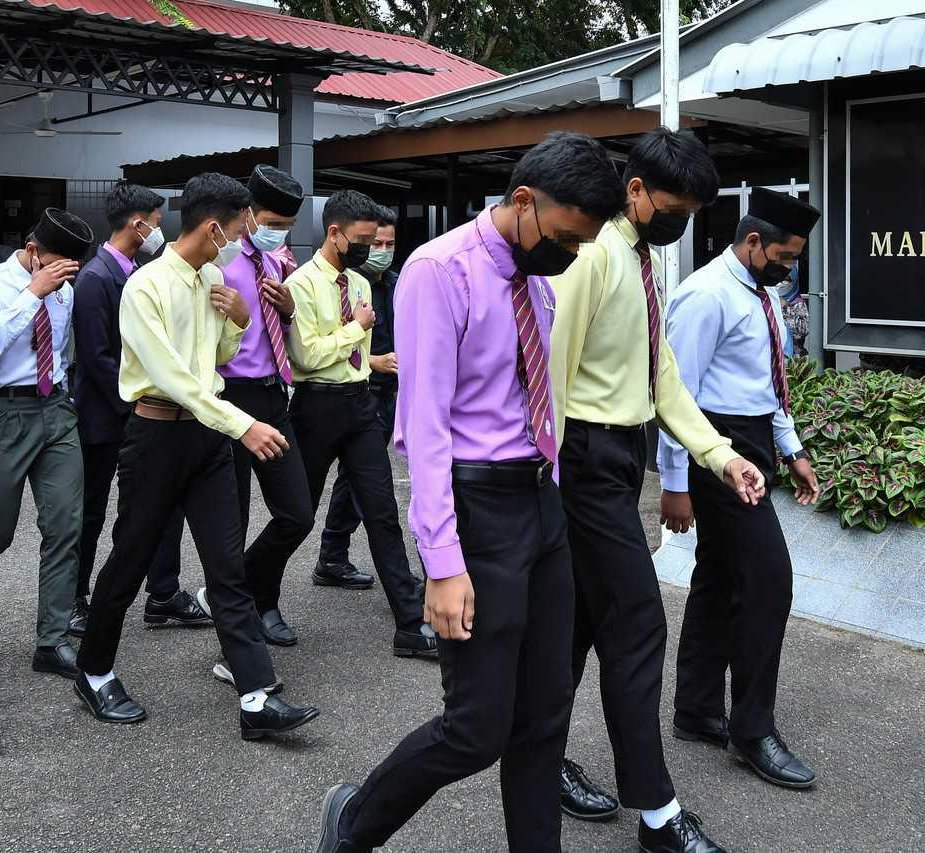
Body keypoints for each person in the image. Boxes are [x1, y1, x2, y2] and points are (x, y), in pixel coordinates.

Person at [314, 131, 624, 853]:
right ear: (524, 201)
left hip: (540, 502)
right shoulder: (438, 271)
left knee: (545, 716)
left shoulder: (536, 277)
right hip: (478, 510)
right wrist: (443, 562)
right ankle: (354, 822)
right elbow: (425, 428)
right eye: (566, 238)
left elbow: (532, 396)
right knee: (477, 729)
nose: (571, 253)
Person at [549, 127, 766, 852]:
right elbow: (551, 373)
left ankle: (541, 756)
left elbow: (661, 372)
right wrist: (545, 484)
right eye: (674, 210)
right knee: (639, 623)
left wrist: (719, 455)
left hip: (617, 455)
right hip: (582, 458)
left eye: (691, 215)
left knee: (578, 626)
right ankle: (657, 814)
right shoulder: (592, 255)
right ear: (635, 189)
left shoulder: (640, 256)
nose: (680, 225)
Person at [73, 172, 319, 740]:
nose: (242, 238)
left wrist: (238, 320)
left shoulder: (212, 277)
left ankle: (256, 696)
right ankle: (94, 669)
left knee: (227, 568)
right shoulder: (145, 286)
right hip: (156, 436)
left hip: (206, 440)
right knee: (130, 559)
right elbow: (174, 378)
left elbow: (215, 359)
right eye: (238, 228)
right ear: (213, 228)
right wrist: (243, 425)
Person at [658, 188, 822, 790]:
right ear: (753, 242)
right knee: (769, 581)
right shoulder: (704, 295)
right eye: (784, 256)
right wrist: (675, 483)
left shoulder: (762, 292)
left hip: (751, 440)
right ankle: (753, 730)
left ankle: (697, 710)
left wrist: (792, 449)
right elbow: (675, 395)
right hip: (714, 447)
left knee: (720, 576)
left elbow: (768, 385)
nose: (789, 268)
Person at [283, 190, 434, 659]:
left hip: (360, 405)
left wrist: (360, 347)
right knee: (296, 515)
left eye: (377, 241)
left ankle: (410, 622)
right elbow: (306, 356)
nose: (371, 249)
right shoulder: (301, 284)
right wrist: (356, 329)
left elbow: (355, 358)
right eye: (364, 240)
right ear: (335, 233)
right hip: (316, 407)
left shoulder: (360, 285)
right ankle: (253, 596)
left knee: (383, 512)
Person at [0, 208, 92, 683]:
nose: (63, 277)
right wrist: (33, 294)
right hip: (3, 412)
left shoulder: (65, 289)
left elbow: (59, 350)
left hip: (55, 410)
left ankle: (52, 640)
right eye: (56, 266)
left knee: (65, 526)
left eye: (70, 270)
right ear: (33, 251)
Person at [72, 182, 205, 636]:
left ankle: (162, 593)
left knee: (163, 505)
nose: (160, 230)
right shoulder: (95, 278)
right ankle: (76, 598)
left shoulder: (141, 272)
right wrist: (134, 402)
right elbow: (96, 358)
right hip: (108, 417)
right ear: (137, 224)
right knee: (91, 512)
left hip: (141, 413)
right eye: (156, 221)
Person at [202, 164, 314, 652]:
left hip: (273, 395)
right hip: (230, 397)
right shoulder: (219, 262)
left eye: (287, 226)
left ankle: (245, 591)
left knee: (298, 514)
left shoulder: (276, 261)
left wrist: (288, 310)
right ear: (247, 214)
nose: (278, 233)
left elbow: (287, 333)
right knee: (235, 518)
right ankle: (247, 622)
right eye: (271, 223)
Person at [315, 205, 401, 588]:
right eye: (374, 243)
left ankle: (333, 557)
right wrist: (375, 361)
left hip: (391, 393)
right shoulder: (350, 284)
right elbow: (326, 346)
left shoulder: (397, 283)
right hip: (357, 392)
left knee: (357, 481)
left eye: (389, 244)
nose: (381, 250)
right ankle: (333, 555)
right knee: (359, 483)